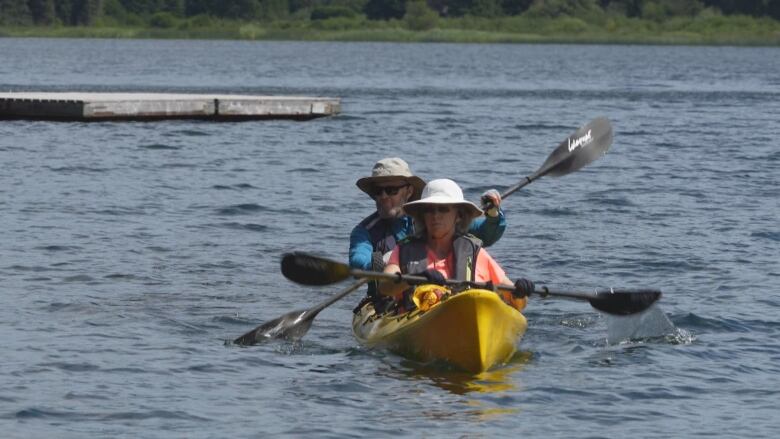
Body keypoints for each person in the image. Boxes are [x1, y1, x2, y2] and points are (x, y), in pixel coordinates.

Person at [349, 158, 506, 307]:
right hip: (386, 300)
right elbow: (358, 261)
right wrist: (386, 262)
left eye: (391, 190)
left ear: (409, 191)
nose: (383, 196)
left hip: (442, 299)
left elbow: (485, 234)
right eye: (378, 191)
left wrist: (493, 215)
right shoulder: (364, 231)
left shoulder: (435, 220)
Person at [378, 178, 534, 311]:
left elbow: (517, 303)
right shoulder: (404, 249)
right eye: (429, 210)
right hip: (418, 319)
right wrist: (412, 278)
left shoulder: (474, 252)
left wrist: (519, 292)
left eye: (443, 209)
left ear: (458, 215)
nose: (435, 216)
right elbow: (385, 286)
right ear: (422, 215)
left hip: (467, 317)